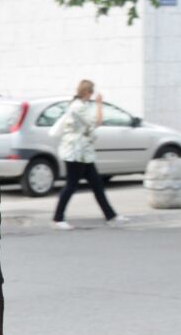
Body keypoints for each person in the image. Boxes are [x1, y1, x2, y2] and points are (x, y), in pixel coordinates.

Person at [51, 79, 129, 230]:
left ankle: (111, 216)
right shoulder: (78, 107)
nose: (93, 95)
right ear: (87, 92)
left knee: (97, 184)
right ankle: (57, 218)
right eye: (91, 92)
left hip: (83, 153)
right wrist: (99, 104)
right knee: (71, 185)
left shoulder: (79, 105)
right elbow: (97, 122)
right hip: (75, 153)